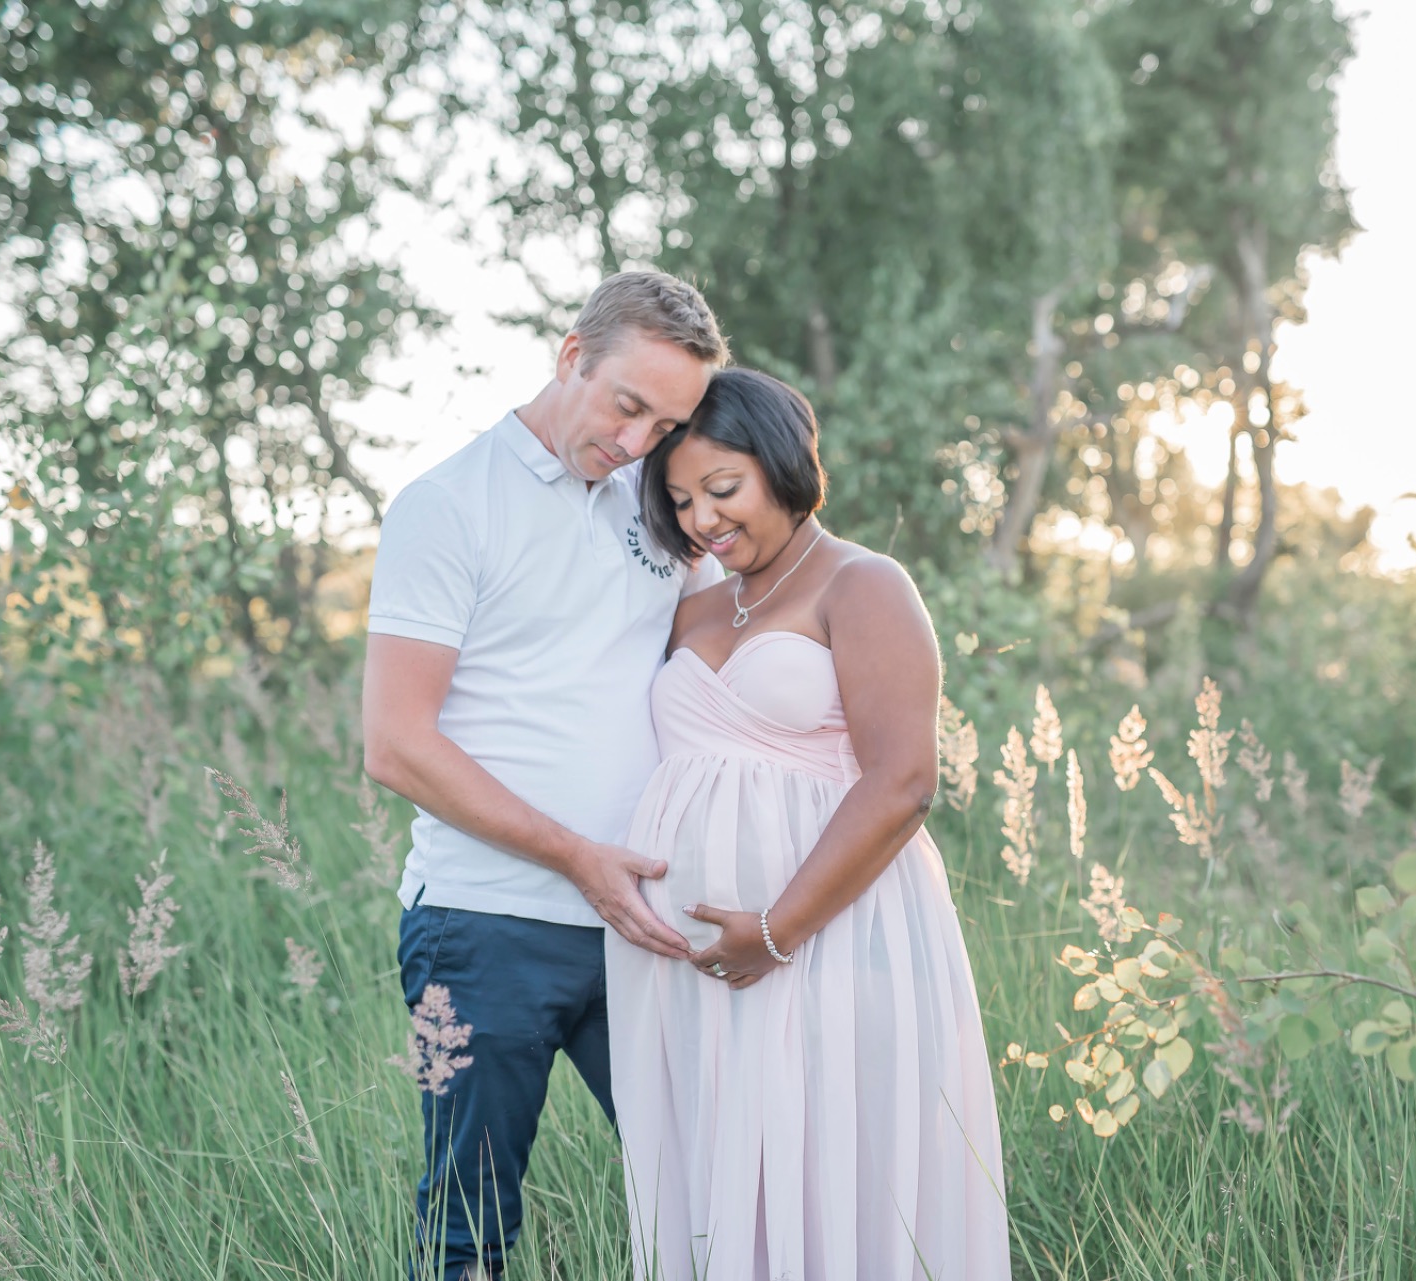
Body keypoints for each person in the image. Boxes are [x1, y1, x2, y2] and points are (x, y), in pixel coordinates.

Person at [361, 270, 729, 1278]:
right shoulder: (448, 505)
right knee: (470, 1227)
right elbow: (395, 743)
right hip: (487, 924)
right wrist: (576, 857)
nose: (640, 441)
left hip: (644, 922)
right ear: (573, 356)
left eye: (668, 424)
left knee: (711, 1188)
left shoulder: (659, 505)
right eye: (628, 406)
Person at [606, 368, 1010, 1279]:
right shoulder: (692, 606)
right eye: (681, 500)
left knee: (833, 1168)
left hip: (828, 937)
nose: (703, 520)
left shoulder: (863, 584)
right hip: (692, 968)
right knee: (724, 1183)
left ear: (782, 461)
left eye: (723, 488)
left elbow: (903, 781)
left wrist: (774, 931)